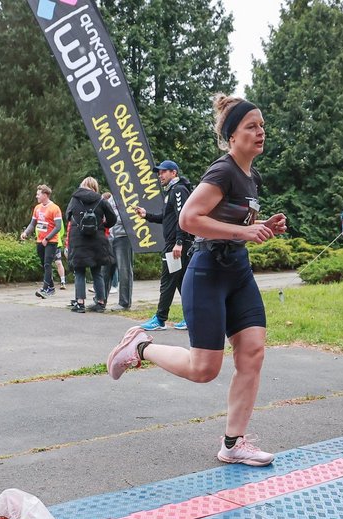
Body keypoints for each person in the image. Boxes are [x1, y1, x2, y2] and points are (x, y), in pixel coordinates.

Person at [107, 95, 287, 467]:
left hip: (238, 272)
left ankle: (233, 443)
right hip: (207, 272)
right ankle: (140, 347)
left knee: (252, 352)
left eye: (262, 125)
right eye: (251, 126)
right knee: (205, 369)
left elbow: (234, 224)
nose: (260, 132)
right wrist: (244, 232)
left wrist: (260, 228)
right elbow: (190, 219)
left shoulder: (251, 176)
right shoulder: (223, 171)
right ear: (231, 136)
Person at [135, 159, 194, 330]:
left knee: (168, 280)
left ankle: (160, 319)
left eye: (163, 172)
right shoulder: (171, 191)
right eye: (159, 172)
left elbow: (182, 216)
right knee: (181, 282)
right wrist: (146, 215)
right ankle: (193, 317)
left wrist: (179, 242)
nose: (160, 175)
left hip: (176, 245)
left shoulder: (178, 190)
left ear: (174, 173)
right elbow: (166, 217)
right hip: (175, 243)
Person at [66, 177, 116, 313]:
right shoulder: (101, 200)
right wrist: (102, 224)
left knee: (80, 272)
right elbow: (113, 218)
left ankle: (80, 303)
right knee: (97, 272)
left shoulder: (75, 198)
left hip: (78, 239)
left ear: (82, 185)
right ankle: (100, 303)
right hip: (97, 239)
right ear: (95, 187)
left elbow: (68, 216)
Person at [20, 184, 63, 299]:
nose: (36, 196)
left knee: (48, 264)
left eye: (38, 194)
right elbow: (33, 223)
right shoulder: (37, 208)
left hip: (51, 241)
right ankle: (51, 288)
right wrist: (26, 233)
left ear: (45, 195)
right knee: (44, 265)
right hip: (40, 241)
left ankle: (45, 289)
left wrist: (47, 238)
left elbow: (58, 227)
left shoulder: (55, 208)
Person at [104, 192, 133, 311]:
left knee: (124, 270)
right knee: (105, 269)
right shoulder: (110, 199)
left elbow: (131, 218)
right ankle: (101, 300)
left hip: (124, 237)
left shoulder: (130, 198)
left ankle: (124, 303)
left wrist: (112, 219)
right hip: (111, 236)